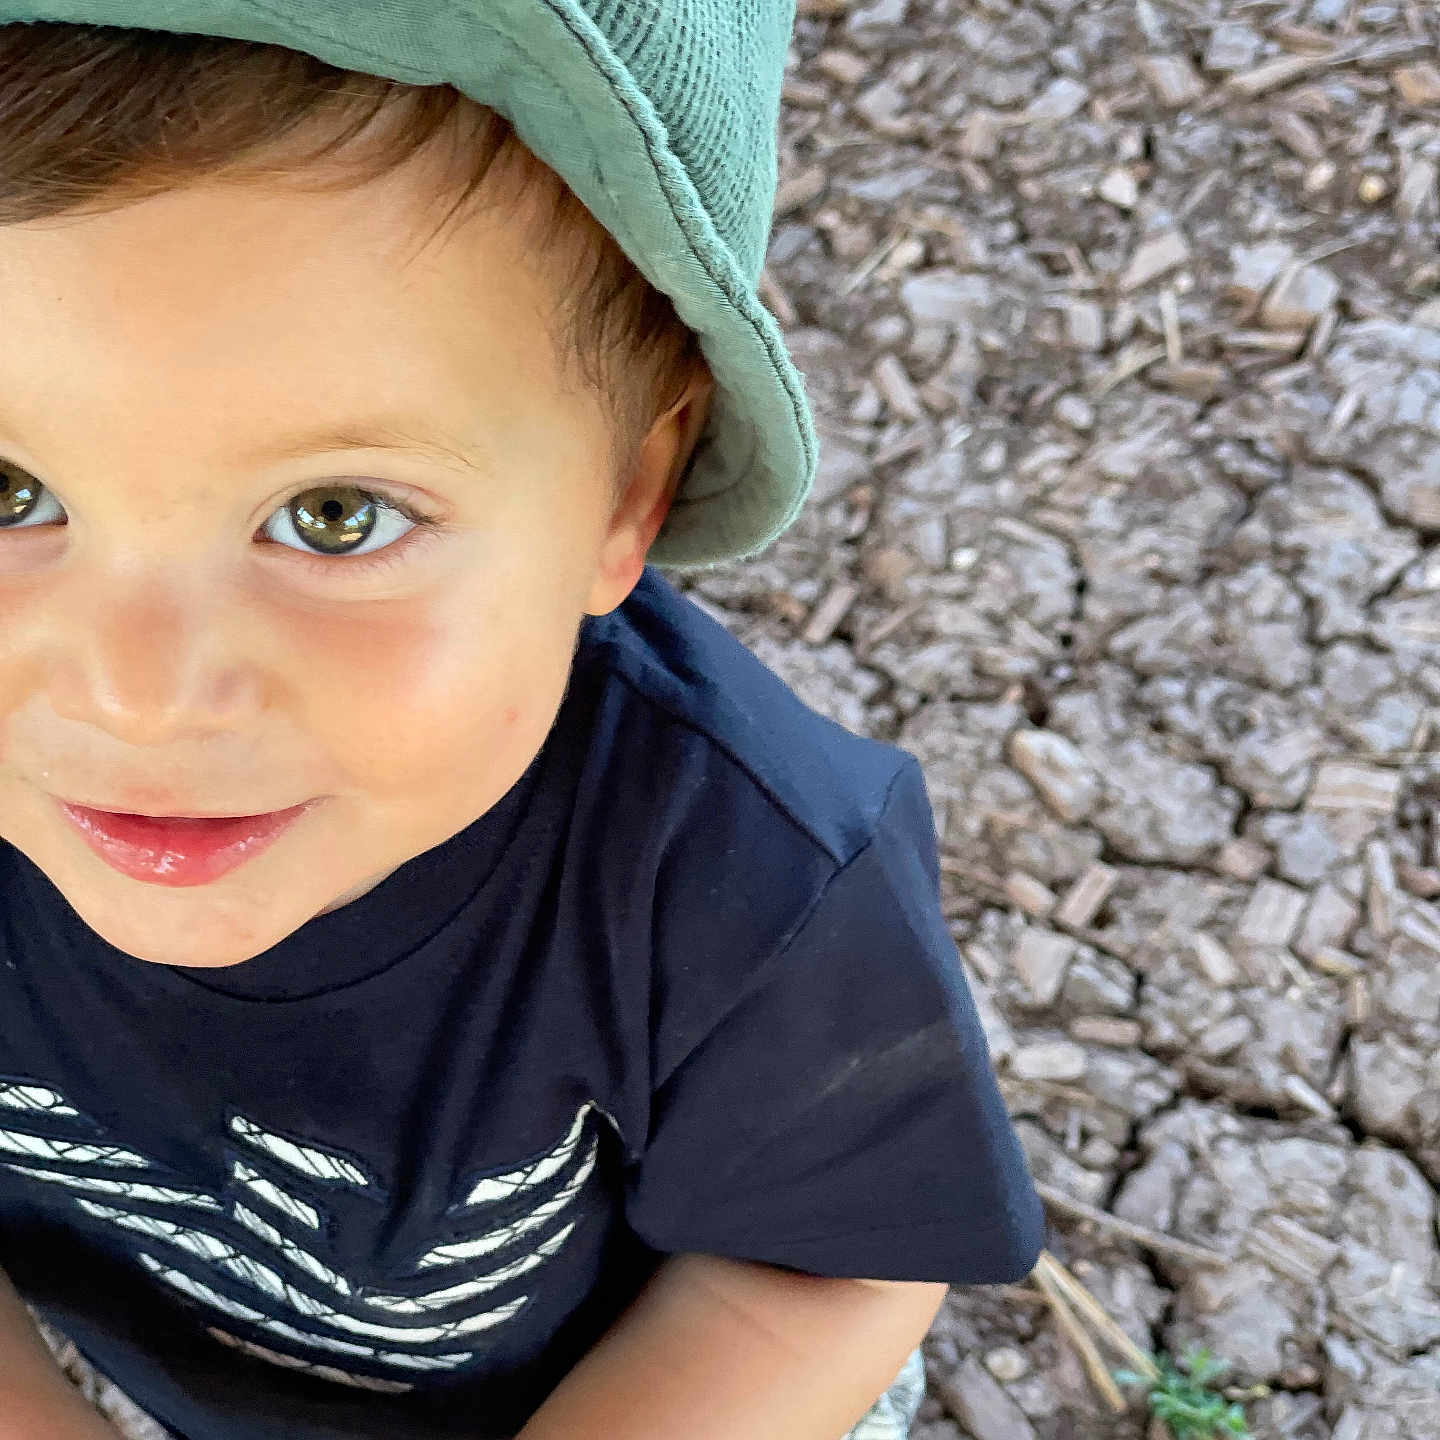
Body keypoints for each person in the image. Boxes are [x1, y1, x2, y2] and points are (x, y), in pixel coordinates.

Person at [0, 4, 1045, 1439]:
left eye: (334, 516)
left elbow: (819, 1275)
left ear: (627, 494)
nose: (136, 695)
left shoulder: (749, 877)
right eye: (7, 494)